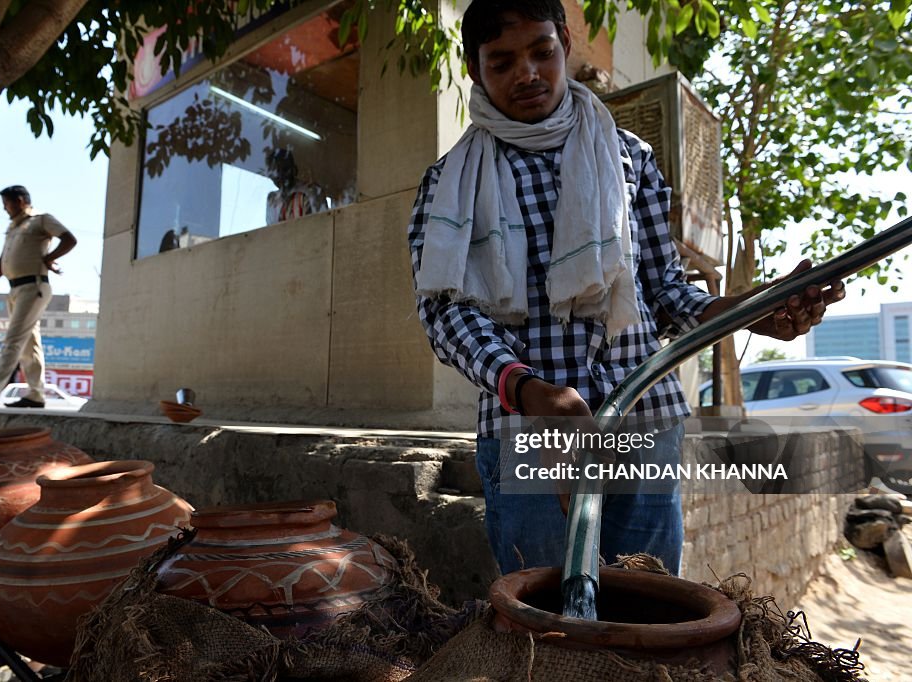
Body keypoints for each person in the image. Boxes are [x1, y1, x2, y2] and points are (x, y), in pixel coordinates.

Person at [408, 0, 845, 576]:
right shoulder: (449, 183)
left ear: (565, 42)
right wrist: (530, 391)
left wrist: (750, 312)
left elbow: (663, 291)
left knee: (648, 611)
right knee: (554, 619)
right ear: (474, 68)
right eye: (502, 62)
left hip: (646, 421)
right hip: (527, 434)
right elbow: (446, 313)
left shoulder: (628, 157)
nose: (528, 74)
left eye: (542, 52)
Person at [0, 185, 77, 409]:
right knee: (29, 345)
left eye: (8, 203)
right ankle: (35, 395)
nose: (5, 209)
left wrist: (49, 258)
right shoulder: (13, 227)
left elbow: (69, 239)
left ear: (21, 200)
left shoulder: (41, 220)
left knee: (13, 339)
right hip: (15, 289)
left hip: (34, 286)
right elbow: (3, 260)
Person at [265, 148, 326, 224]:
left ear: (294, 170)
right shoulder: (272, 199)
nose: (279, 176)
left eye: (284, 169)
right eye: (274, 174)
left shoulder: (312, 191)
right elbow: (271, 231)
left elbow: (321, 223)